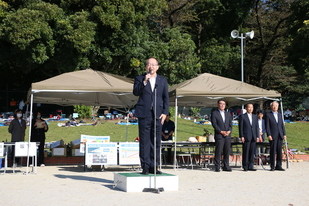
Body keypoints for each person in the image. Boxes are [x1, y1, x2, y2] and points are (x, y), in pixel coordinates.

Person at [133, 57, 169, 175]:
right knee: (144, 141)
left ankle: (155, 166)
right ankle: (145, 166)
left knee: (156, 141)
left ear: (157, 67)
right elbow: (136, 92)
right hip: (144, 114)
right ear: (146, 67)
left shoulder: (162, 80)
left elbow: (165, 98)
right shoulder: (139, 78)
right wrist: (144, 81)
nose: (151, 67)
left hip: (158, 115)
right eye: (149, 64)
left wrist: (165, 112)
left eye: (154, 65)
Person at [211, 99, 233, 172]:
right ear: (218, 104)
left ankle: (226, 166)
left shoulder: (228, 114)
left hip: (227, 135)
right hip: (219, 135)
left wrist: (229, 131)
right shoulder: (214, 113)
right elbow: (214, 124)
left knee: (227, 151)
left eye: (224, 104)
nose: (222, 105)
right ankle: (217, 166)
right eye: (221, 104)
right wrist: (221, 131)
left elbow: (230, 124)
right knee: (218, 151)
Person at [265, 101, 287, 171]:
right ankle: (272, 166)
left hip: (280, 135)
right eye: (273, 106)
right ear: (271, 107)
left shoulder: (280, 115)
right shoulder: (268, 115)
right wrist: (269, 134)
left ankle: (279, 165)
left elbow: (282, 125)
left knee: (279, 151)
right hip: (273, 135)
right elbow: (267, 126)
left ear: (278, 107)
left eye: (276, 106)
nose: (275, 107)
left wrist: (284, 133)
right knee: (273, 151)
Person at [238, 103, 260, 171]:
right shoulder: (242, 116)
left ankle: (251, 165)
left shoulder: (255, 117)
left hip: (253, 136)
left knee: (252, 151)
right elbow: (240, 127)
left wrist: (257, 136)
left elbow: (256, 127)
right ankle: (245, 166)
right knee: (246, 151)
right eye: (249, 107)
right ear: (246, 108)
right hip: (246, 136)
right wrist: (241, 136)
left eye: (252, 107)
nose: (250, 109)